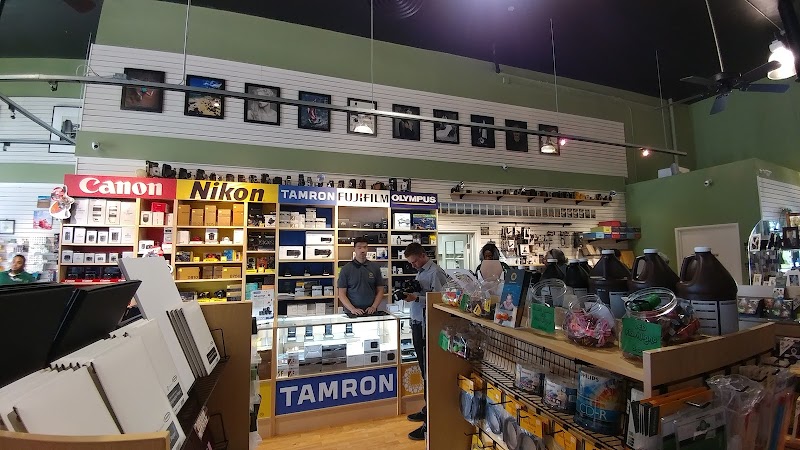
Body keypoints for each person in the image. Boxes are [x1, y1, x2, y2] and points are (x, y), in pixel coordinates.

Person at [403, 242, 447, 441]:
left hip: (427, 327)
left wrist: (416, 299)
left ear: (422, 255)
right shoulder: (421, 272)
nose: (412, 265)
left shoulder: (435, 272)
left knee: (429, 372)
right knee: (423, 370)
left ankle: (430, 422)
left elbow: (440, 301)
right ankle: (427, 408)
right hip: (418, 324)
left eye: (414, 262)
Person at [337, 237, 385, 315]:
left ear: (367, 249)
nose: (362, 250)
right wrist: (352, 309)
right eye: (359, 248)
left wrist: (374, 306)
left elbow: (380, 290)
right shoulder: (346, 269)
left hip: (371, 311)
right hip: (352, 312)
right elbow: (341, 293)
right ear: (354, 249)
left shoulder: (375, 268)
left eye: (365, 247)